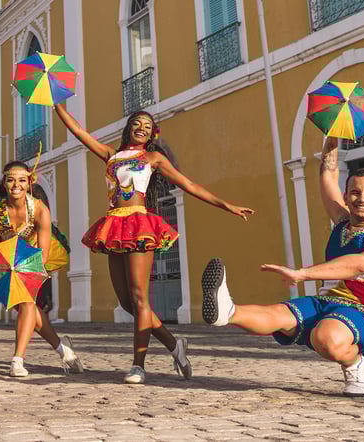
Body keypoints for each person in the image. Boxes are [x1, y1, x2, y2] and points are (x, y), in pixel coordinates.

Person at [54, 103, 254, 384]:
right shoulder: (111, 155)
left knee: (140, 299)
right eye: (137, 123)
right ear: (129, 127)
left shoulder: (153, 158)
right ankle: (174, 345)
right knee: (128, 303)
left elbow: (189, 185)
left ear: (151, 135)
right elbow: (78, 132)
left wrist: (227, 205)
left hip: (138, 226)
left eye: (147, 127)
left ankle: (138, 365)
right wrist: (57, 104)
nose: (142, 128)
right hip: (114, 226)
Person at [201, 137, 364, 397]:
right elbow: (328, 174)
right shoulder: (342, 222)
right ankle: (227, 312)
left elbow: (358, 265)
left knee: (325, 337)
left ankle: (355, 362)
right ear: (346, 197)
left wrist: (302, 274)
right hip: (324, 304)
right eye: (355, 193)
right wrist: (331, 136)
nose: (362, 199)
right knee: (277, 316)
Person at [0, 160, 84, 377]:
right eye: (11, 180)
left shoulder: (39, 209)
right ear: (4, 183)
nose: (16, 185)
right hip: (5, 259)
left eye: (22, 180)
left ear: (29, 182)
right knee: (28, 312)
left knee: (27, 302)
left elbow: (43, 253)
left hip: (34, 256)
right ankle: (63, 349)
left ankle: (17, 361)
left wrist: (29, 272)